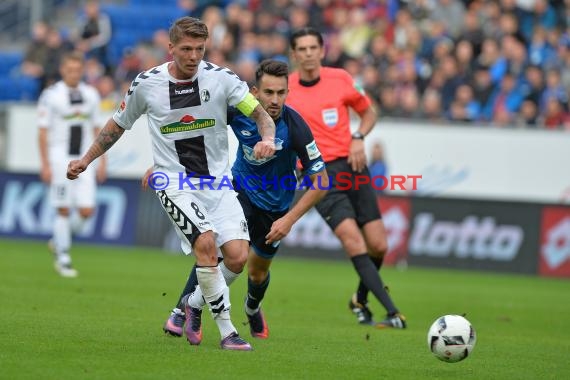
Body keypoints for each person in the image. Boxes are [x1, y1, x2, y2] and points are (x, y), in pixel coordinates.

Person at [67, 17, 277, 350]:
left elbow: (260, 114)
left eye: (199, 49)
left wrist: (268, 138)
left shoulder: (223, 79)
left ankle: (192, 303)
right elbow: (116, 126)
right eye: (186, 49)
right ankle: (228, 332)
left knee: (237, 258)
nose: (193, 56)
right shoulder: (146, 84)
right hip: (173, 181)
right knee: (205, 244)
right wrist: (86, 159)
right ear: (170, 48)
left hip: (218, 184)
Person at [158, 59, 328, 340]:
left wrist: (288, 219)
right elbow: (196, 131)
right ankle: (182, 310)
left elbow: (322, 183)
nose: (275, 100)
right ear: (254, 92)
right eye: (269, 92)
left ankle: (252, 308)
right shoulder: (238, 111)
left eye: (281, 93)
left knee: (258, 273)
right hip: (239, 190)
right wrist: (166, 163)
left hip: (277, 208)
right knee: (214, 248)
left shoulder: (295, 126)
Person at [286, 27, 406, 328]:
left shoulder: (340, 79)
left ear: (322, 50)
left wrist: (357, 136)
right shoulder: (285, 90)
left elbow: (369, 113)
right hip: (320, 176)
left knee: (378, 245)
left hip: (354, 168)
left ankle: (359, 299)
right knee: (354, 242)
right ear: (294, 54)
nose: (309, 53)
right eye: (302, 48)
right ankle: (393, 312)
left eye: (313, 47)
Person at [38, 51, 106, 278]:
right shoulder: (51, 95)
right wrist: (45, 164)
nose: (74, 73)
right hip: (60, 158)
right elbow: (42, 131)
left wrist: (103, 159)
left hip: (84, 159)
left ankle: (58, 240)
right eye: (70, 69)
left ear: (82, 70)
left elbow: (98, 128)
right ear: (62, 70)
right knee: (63, 207)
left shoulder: (91, 94)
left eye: (78, 70)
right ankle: (63, 257)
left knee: (87, 211)